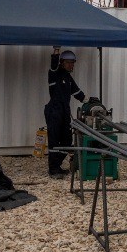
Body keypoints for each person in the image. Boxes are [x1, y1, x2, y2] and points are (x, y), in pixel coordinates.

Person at [45, 47, 86, 178]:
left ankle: (57, 165)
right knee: (54, 140)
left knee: (67, 141)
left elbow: (78, 93)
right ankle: (53, 170)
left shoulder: (68, 78)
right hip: (54, 111)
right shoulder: (54, 73)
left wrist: (90, 101)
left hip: (65, 112)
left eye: (72, 62)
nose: (71, 65)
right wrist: (56, 50)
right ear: (61, 62)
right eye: (68, 62)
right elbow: (53, 65)